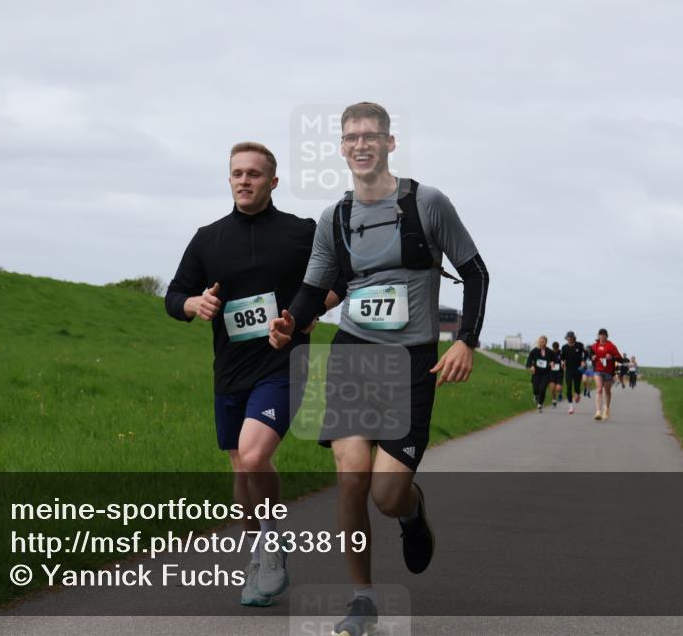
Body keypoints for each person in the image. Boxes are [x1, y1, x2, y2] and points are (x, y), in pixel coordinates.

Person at [267, 102, 489, 636]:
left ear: (391, 142)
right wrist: (290, 321)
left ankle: (411, 514)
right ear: (341, 148)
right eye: (351, 137)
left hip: (412, 361)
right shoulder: (335, 218)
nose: (361, 144)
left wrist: (465, 343)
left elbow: (476, 272)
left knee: (387, 494)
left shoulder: (427, 203)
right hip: (352, 354)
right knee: (351, 478)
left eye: (371, 135)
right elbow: (314, 288)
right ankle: (362, 598)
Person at [165, 142, 344, 607]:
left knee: (253, 451)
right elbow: (175, 294)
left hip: (284, 364)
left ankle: (271, 553)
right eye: (237, 173)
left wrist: (306, 315)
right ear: (229, 179)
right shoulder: (208, 238)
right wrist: (194, 304)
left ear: (273, 181)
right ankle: (263, 548)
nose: (244, 180)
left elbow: (341, 278)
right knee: (242, 473)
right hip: (230, 371)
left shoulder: (302, 232)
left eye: (255, 174)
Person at [589, 328, 623, 421]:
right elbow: (589, 355)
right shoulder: (594, 346)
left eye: (604, 335)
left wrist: (611, 357)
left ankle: (606, 409)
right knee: (599, 389)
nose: (602, 337)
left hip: (608, 372)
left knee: (607, 391)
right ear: (598, 336)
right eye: (601, 335)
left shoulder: (611, 346)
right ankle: (598, 411)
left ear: (607, 336)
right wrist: (592, 357)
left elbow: (620, 358)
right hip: (598, 370)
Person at [560, 331, 587, 415]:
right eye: (568, 337)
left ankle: (578, 393)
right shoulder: (564, 347)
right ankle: (570, 406)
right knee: (568, 387)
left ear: (574, 337)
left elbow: (586, 353)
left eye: (571, 337)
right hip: (568, 370)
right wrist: (562, 362)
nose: (570, 339)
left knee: (577, 387)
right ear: (566, 338)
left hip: (578, 369)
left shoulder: (579, 345)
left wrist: (583, 361)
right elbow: (562, 358)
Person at [526, 336, 554, 412]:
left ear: (546, 342)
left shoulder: (550, 351)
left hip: (546, 373)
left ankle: (540, 404)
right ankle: (535, 395)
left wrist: (552, 363)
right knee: (536, 389)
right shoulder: (534, 351)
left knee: (542, 389)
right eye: (540, 341)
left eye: (543, 342)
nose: (542, 343)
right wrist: (531, 367)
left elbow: (554, 360)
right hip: (536, 373)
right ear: (538, 342)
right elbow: (528, 361)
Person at [549, 341, 564, 407]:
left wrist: (563, 363)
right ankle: (554, 401)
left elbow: (564, 360)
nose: (555, 349)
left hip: (559, 373)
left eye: (556, 348)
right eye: (554, 348)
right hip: (552, 373)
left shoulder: (561, 353)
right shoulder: (550, 353)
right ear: (552, 348)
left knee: (558, 388)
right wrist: (550, 363)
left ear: (558, 347)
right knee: (552, 388)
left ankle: (560, 393)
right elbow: (547, 360)